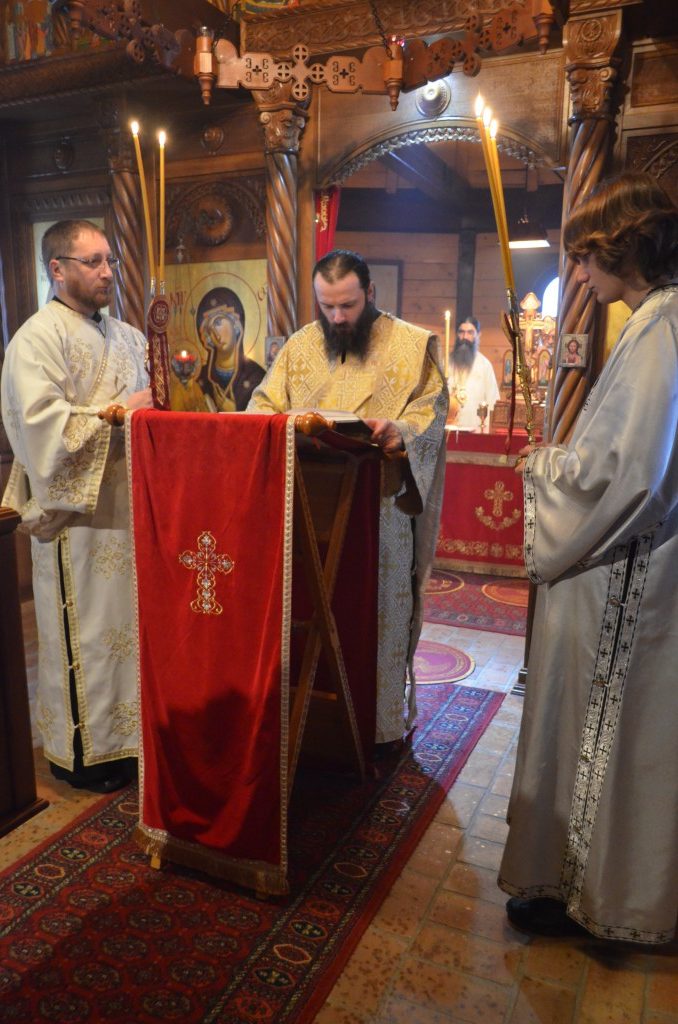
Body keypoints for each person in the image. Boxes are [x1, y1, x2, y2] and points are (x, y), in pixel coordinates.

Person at [499, 172, 678, 944]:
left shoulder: (660, 329)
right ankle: (589, 887)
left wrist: (547, 470)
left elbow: (628, 472)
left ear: (620, 247)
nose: (575, 275)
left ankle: (593, 897)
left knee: (606, 734)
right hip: (633, 568)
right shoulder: (654, 322)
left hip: (625, 577)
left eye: (582, 257)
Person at [247, 249, 449, 746]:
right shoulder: (299, 346)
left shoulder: (412, 345)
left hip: (379, 513)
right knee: (310, 618)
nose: (337, 317)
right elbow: (261, 410)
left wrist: (401, 431)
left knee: (371, 620)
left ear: (370, 293)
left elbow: (430, 416)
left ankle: (376, 730)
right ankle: (311, 728)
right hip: (308, 514)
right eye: (327, 306)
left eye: (348, 305)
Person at [1, 219, 152, 793]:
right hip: (78, 520)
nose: (107, 272)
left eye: (110, 260)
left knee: (128, 634)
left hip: (131, 513)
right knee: (86, 634)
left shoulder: (131, 337)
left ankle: (132, 742)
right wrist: (122, 412)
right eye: (93, 262)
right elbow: (40, 428)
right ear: (57, 269)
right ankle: (84, 756)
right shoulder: (36, 340)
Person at [196, 287, 265, 411]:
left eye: (218, 323)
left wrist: (234, 411)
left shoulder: (256, 377)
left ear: (236, 324)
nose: (216, 335)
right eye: (210, 330)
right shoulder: (202, 377)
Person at [447, 316, 500, 431]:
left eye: (470, 333)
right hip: (450, 430)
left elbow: (493, 402)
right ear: (457, 334)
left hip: (477, 430)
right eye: (461, 332)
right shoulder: (446, 363)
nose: (465, 337)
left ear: (478, 335)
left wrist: (486, 432)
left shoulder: (485, 365)